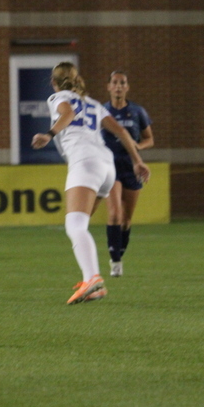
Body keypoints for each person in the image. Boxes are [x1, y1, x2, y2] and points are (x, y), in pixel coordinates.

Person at [32, 62, 150, 304]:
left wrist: (49, 134)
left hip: (86, 161)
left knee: (74, 226)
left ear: (55, 82)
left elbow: (68, 114)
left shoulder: (58, 97)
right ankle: (91, 280)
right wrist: (138, 161)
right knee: (80, 225)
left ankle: (93, 279)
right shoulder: (94, 104)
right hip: (107, 165)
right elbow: (122, 132)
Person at [102, 70, 154, 277]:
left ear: (127, 87)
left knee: (126, 220)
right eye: (115, 82)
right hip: (109, 166)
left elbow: (150, 139)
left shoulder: (137, 111)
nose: (118, 86)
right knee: (114, 213)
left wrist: (139, 147)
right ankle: (115, 262)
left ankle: (119, 253)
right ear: (108, 87)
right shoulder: (102, 111)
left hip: (132, 165)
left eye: (122, 83)